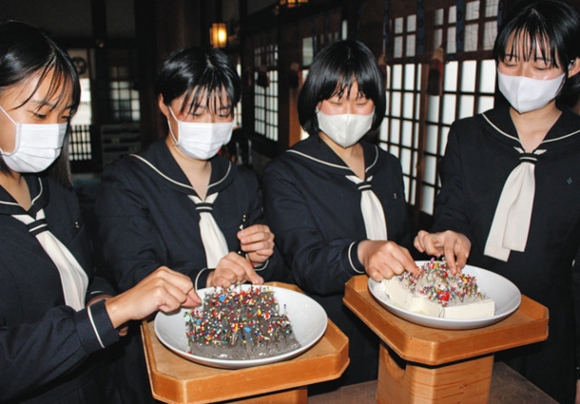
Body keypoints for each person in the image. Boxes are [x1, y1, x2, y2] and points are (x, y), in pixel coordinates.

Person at [0, 20, 201, 404]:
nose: (54, 131)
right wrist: (107, 316)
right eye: (41, 115)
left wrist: (98, 299)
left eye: (64, 117)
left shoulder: (54, 192)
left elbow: (87, 272)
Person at [94, 46, 288, 400]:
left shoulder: (241, 180)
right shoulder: (127, 181)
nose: (211, 126)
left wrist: (262, 257)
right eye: (195, 112)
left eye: (223, 112)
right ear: (165, 105)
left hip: (239, 348)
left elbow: (274, 270)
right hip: (161, 360)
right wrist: (208, 279)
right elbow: (133, 271)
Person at [413, 1, 580, 402]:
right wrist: (450, 235)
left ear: (573, 67)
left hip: (552, 327)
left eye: (540, 66)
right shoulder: (469, 134)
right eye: (510, 61)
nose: (523, 77)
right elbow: (452, 209)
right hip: (472, 313)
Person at [262, 39, 417, 388]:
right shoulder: (287, 171)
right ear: (315, 101)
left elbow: (402, 243)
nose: (350, 111)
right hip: (330, 329)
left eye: (362, 100)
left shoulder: (388, 165)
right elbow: (305, 262)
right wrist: (361, 251)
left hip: (392, 324)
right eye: (337, 99)